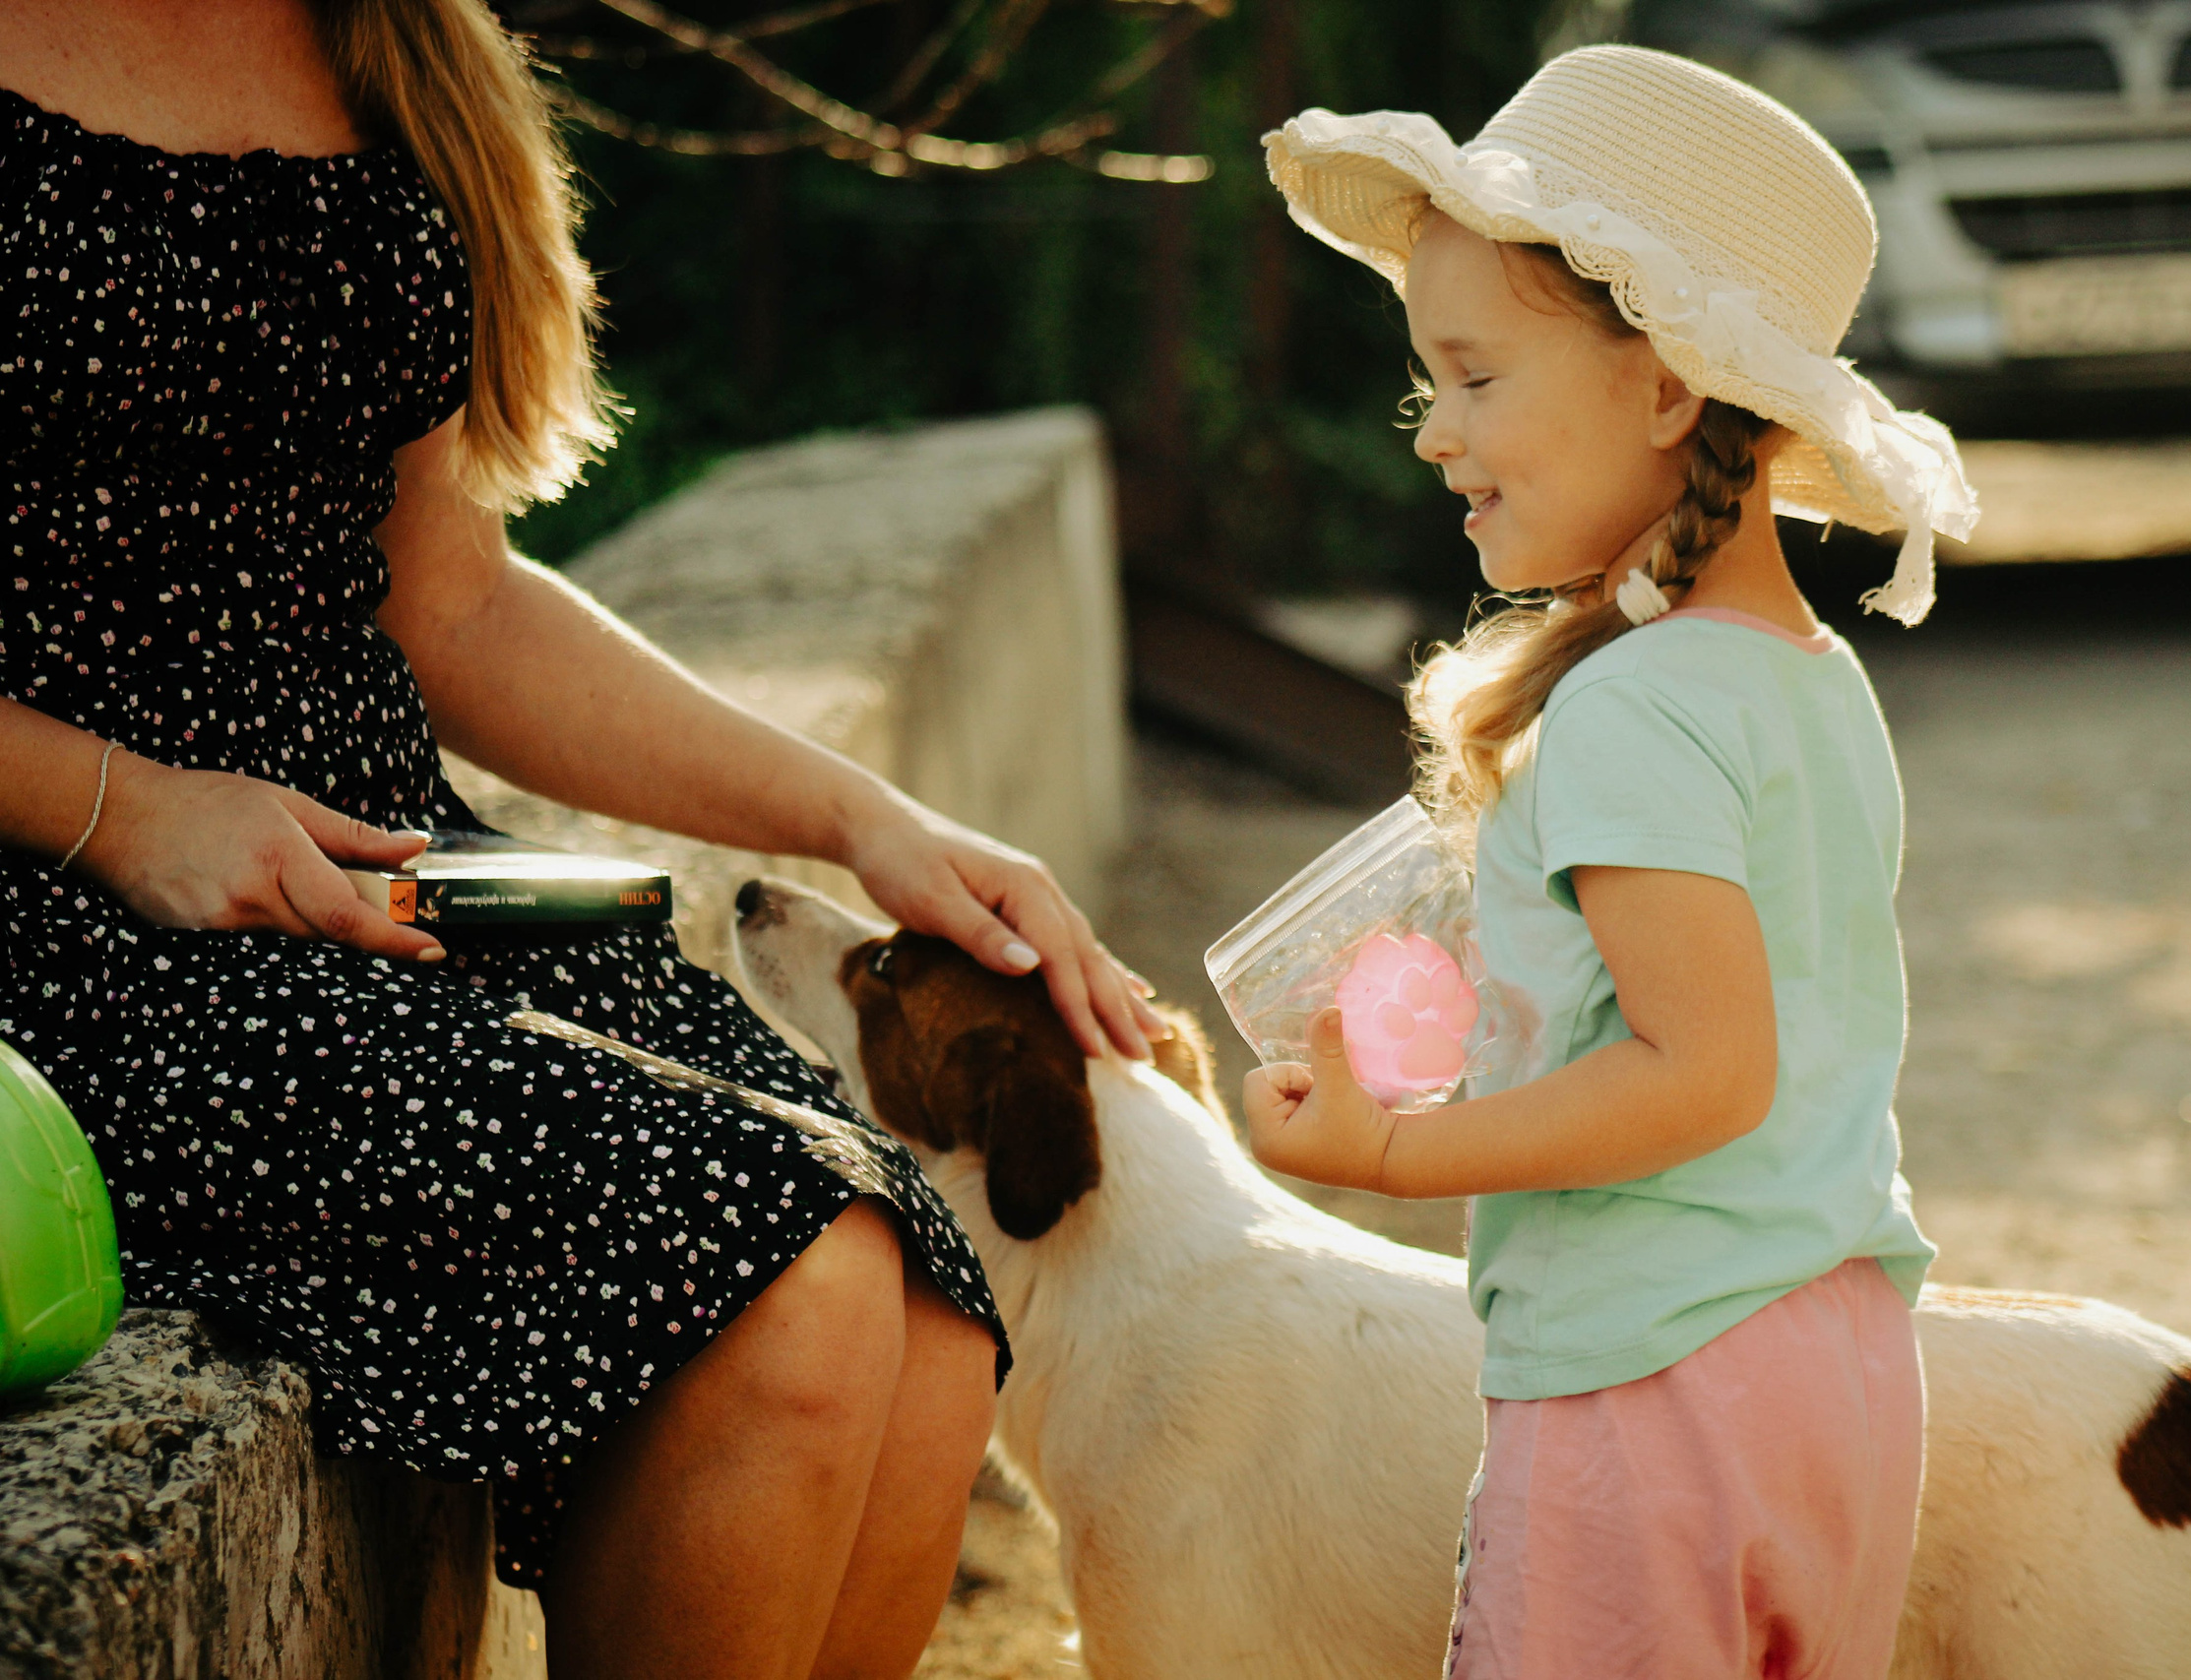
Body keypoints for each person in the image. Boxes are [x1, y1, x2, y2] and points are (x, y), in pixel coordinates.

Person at [0, 4, 1163, 1676]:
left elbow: (452, 606)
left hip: (389, 884)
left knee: (921, 1314)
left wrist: (868, 819)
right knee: (797, 1278)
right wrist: (121, 808)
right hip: (70, 910)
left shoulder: (390, 45)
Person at [1243, 46, 1979, 1679]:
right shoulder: (1810, 681)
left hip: (1652, 1384)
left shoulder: (1633, 705)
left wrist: (1391, 1153)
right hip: (1841, 1372)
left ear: (1665, 392)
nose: (1434, 434)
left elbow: (1700, 1070)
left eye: (1475, 377)